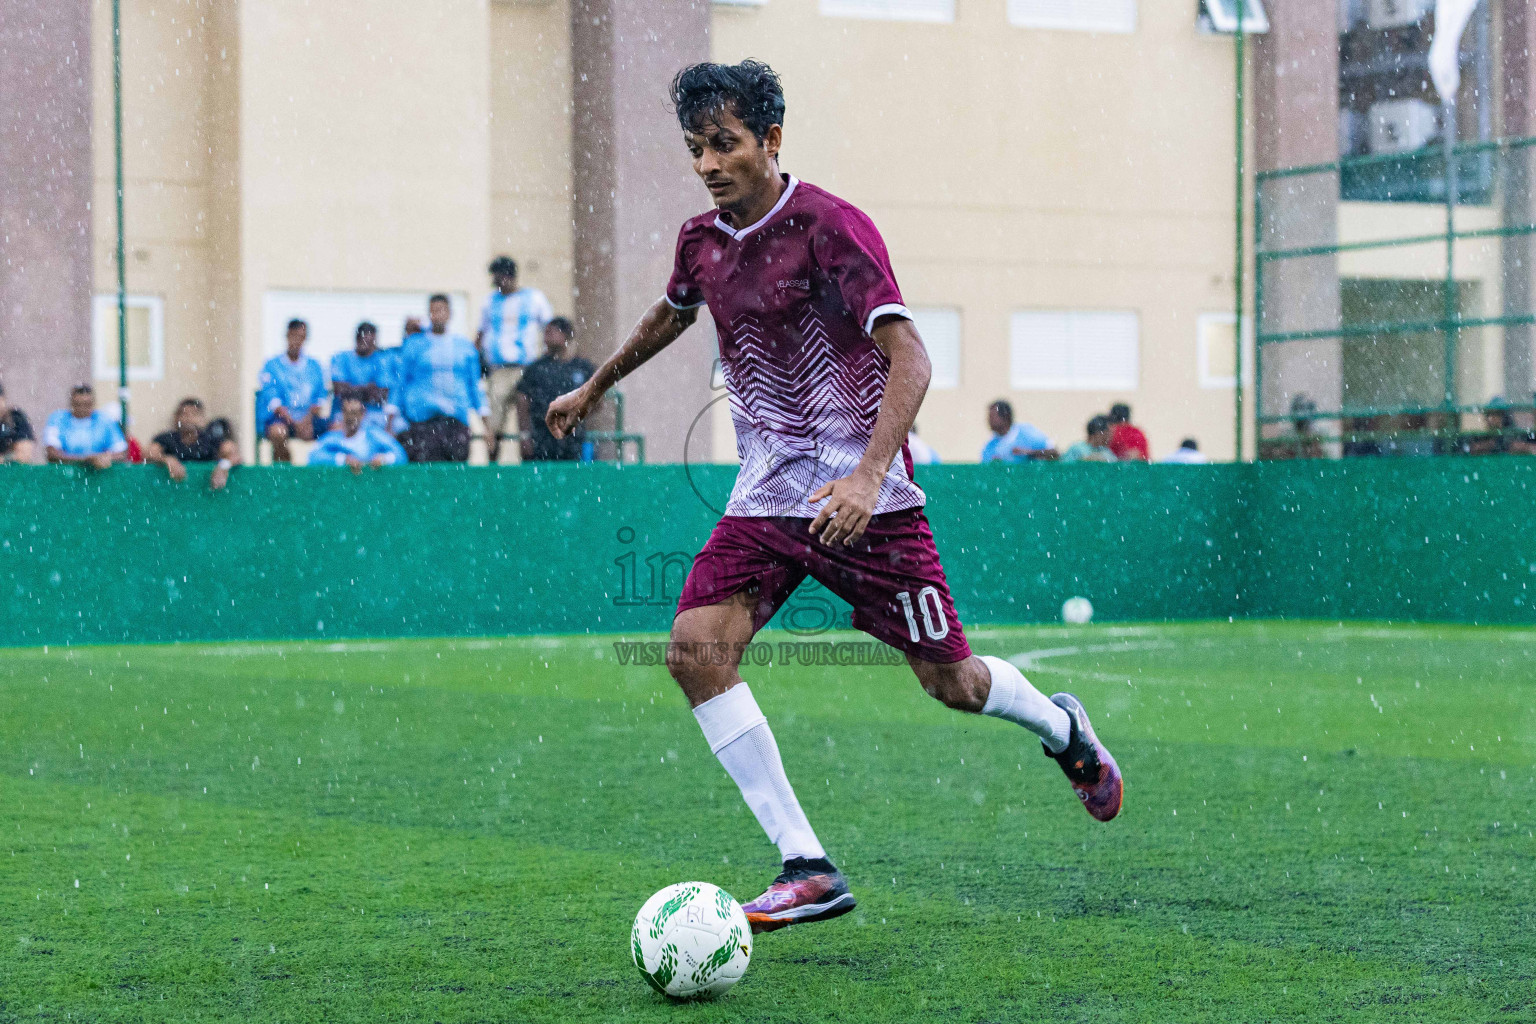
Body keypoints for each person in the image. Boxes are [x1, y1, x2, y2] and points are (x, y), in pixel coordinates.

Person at [543, 60, 1121, 934]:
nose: (707, 163)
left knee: (953, 683)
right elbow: (674, 310)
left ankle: (1064, 731)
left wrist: (865, 474)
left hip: (870, 504)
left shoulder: (830, 228)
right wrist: (594, 386)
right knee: (696, 649)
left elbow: (913, 359)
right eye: (696, 147)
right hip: (768, 499)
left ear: (771, 140)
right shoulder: (700, 240)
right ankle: (806, 864)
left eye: (725, 144)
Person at [478, 256, 554, 461]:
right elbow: (480, 334)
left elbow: (550, 328)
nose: (497, 283)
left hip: (526, 369)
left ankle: (529, 464)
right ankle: (493, 467)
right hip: (499, 370)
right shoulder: (490, 301)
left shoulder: (534, 298)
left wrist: (546, 361)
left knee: (527, 422)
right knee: (494, 425)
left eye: (499, 278)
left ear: (509, 276)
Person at [396, 294, 487, 463]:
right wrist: (393, 417)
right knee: (425, 469)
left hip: (456, 420)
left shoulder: (464, 347)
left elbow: (474, 386)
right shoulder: (415, 345)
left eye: (441, 310)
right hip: (422, 421)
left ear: (449, 313)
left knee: (456, 470)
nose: (437, 315)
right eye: (433, 311)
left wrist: (485, 423)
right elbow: (401, 383)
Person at [515, 318, 595, 461]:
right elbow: (522, 400)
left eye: (552, 332)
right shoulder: (535, 369)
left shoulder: (583, 367)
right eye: (545, 332)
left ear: (566, 335)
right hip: (541, 437)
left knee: (572, 477)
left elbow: (596, 399)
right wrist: (525, 436)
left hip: (573, 438)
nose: (547, 336)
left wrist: (576, 417)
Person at [258, 319, 328, 463]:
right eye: (294, 335)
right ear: (287, 336)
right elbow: (273, 399)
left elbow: (320, 398)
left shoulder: (315, 366)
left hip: (309, 419)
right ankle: (284, 471)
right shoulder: (272, 366)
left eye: (301, 336)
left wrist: (307, 420)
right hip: (283, 419)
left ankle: (328, 472)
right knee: (278, 433)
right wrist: (295, 423)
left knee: (337, 429)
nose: (297, 340)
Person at [146, 397, 239, 490]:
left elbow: (234, 455)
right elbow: (148, 453)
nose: (189, 418)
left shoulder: (211, 439)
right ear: (176, 418)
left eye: (194, 414)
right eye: (184, 414)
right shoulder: (166, 439)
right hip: (172, 490)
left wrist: (223, 467)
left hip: (205, 492)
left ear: (202, 418)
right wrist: (167, 460)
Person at [329, 322, 400, 433]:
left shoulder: (382, 360)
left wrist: (353, 389)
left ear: (374, 341)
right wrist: (368, 389)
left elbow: (382, 395)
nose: (365, 343)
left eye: (369, 340)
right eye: (362, 339)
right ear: (356, 339)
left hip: (374, 415)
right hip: (344, 413)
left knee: (399, 427)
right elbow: (340, 391)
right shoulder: (341, 357)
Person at [311, 396, 408, 472]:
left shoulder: (374, 435)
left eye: (354, 412)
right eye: (347, 412)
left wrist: (384, 459)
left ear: (363, 414)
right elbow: (313, 457)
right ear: (342, 413)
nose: (350, 417)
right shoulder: (333, 438)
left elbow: (401, 455)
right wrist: (343, 459)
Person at [44, 384, 127, 469]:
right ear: (71, 403)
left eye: (87, 404)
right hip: (65, 474)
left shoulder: (105, 420)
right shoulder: (57, 419)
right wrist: (86, 460)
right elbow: (52, 454)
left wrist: (105, 458)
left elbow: (122, 453)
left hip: (99, 475)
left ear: (93, 403)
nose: (82, 408)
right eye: (78, 404)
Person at [979, 400, 1054, 462]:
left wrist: (1028, 452)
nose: (988, 420)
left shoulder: (1027, 433)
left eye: (992, 417)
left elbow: (1055, 453)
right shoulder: (990, 446)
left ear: (1005, 417)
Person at [0, 381, 37, 464]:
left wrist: (4, 459)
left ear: (3, 399)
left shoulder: (15, 418)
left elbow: (24, 454)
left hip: (11, 473)